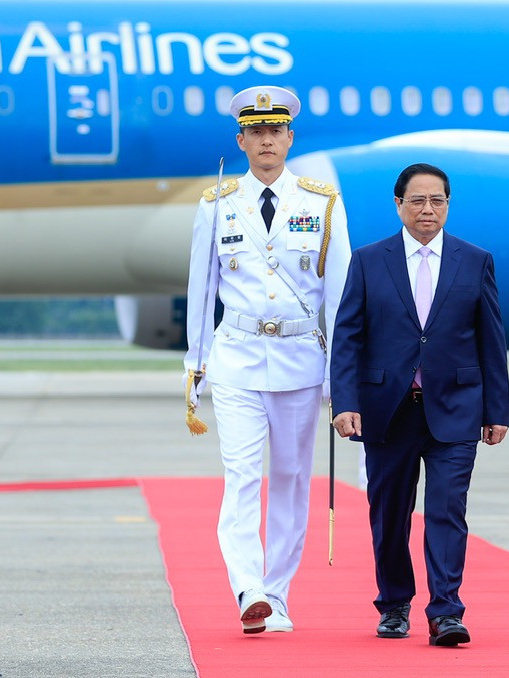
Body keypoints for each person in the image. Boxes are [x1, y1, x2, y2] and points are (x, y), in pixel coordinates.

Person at [184, 85, 351, 634]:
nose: (266, 140)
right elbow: (201, 289)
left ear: (289, 138)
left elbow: (340, 294)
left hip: (302, 358)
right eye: (255, 132)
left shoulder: (321, 201)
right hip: (236, 357)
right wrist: (195, 366)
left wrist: (339, 376)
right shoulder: (217, 202)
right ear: (241, 140)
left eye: (275, 131)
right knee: (240, 476)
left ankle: (276, 593)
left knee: (291, 478)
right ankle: (247, 587)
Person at [330, 162, 509, 645]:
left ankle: (446, 611)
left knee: (448, 510)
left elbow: (491, 342)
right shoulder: (369, 261)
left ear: (448, 205)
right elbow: (348, 336)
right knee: (389, 515)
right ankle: (393, 604)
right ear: (399, 205)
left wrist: (497, 411)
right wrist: (344, 402)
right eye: (418, 201)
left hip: (456, 408)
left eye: (438, 201)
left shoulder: (475, 260)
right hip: (388, 409)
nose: (428, 209)